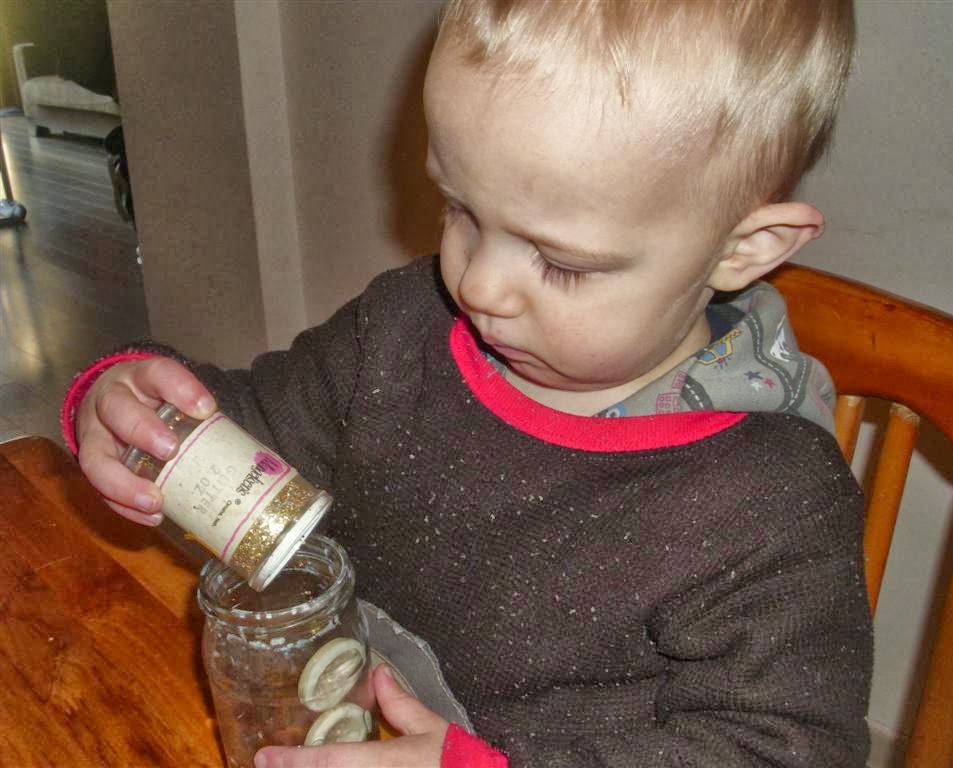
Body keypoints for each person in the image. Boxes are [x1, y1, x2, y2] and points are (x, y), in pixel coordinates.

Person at [63, 1, 872, 766]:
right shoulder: (402, 330)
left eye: (559, 261)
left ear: (743, 250)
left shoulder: (769, 503)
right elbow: (256, 430)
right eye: (460, 209)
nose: (478, 285)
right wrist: (137, 412)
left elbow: (782, 750)